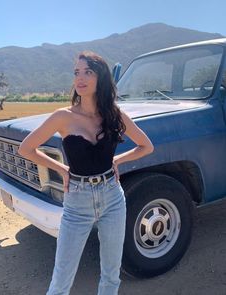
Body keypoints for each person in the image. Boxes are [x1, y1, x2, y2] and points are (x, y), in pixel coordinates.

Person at [18, 51, 154, 295]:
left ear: (100, 77)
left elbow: (147, 146)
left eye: (87, 72)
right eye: (76, 72)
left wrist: (118, 160)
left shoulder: (114, 114)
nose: (80, 78)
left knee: (111, 276)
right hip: (77, 201)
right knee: (60, 282)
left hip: (113, 197)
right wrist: (62, 168)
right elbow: (26, 148)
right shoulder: (63, 116)